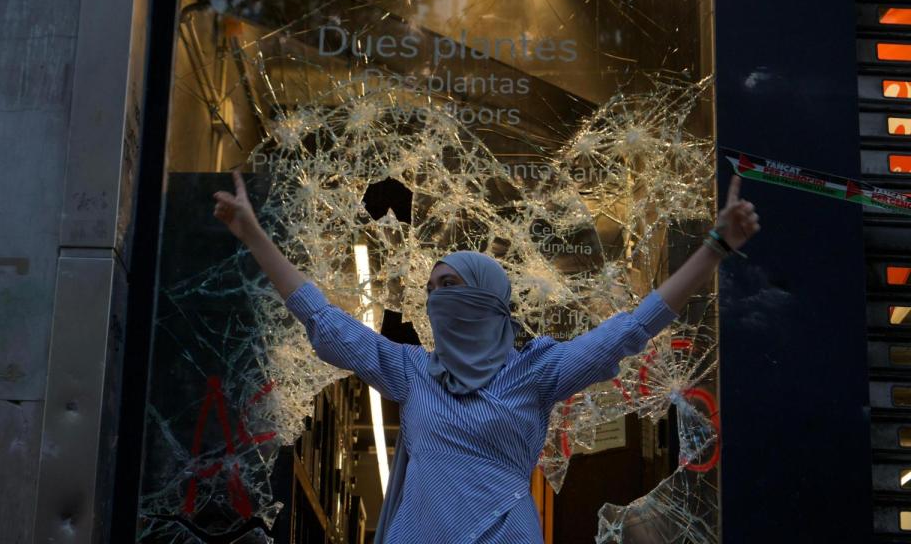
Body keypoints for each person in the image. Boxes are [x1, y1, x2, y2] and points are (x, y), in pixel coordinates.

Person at [213, 171, 760, 543]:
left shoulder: (537, 372)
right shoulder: (412, 372)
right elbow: (324, 321)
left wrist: (714, 246)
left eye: (452, 286)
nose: (436, 298)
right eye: (432, 290)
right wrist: (253, 234)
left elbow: (632, 329)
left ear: (490, 300)